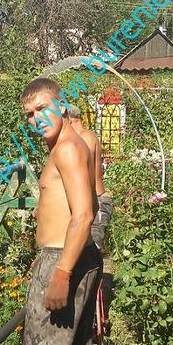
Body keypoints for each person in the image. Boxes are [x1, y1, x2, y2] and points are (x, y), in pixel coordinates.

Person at [9, 78, 102, 345]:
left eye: (43, 108)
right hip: (78, 257)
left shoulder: (66, 148)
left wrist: (61, 273)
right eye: (29, 114)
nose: (36, 119)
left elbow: (83, 214)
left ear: (61, 105)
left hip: (60, 258)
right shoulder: (77, 142)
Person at [67, 104, 113, 251]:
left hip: (95, 201)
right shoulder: (89, 136)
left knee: (88, 254)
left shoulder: (83, 138)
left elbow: (81, 172)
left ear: (69, 120)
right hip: (95, 199)